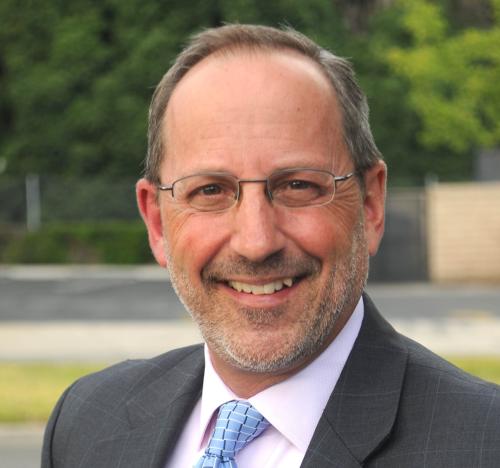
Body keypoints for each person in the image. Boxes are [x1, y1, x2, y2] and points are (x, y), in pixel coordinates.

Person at [42, 24, 500, 468]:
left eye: (298, 185)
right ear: (158, 222)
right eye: (210, 190)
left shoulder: (483, 444)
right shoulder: (85, 424)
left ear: (371, 204)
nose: (256, 243)